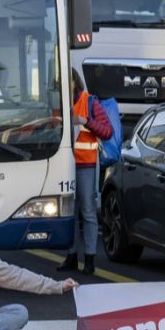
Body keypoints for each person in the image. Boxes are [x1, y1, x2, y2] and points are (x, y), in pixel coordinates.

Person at [58, 70, 112, 275]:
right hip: (63, 165)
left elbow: (107, 132)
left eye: (67, 80)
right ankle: (71, 256)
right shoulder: (57, 101)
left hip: (85, 165)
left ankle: (89, 259)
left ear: (75, 81)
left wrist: (85, 120)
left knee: (88, 211)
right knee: (69, 212)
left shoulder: (89, 102)